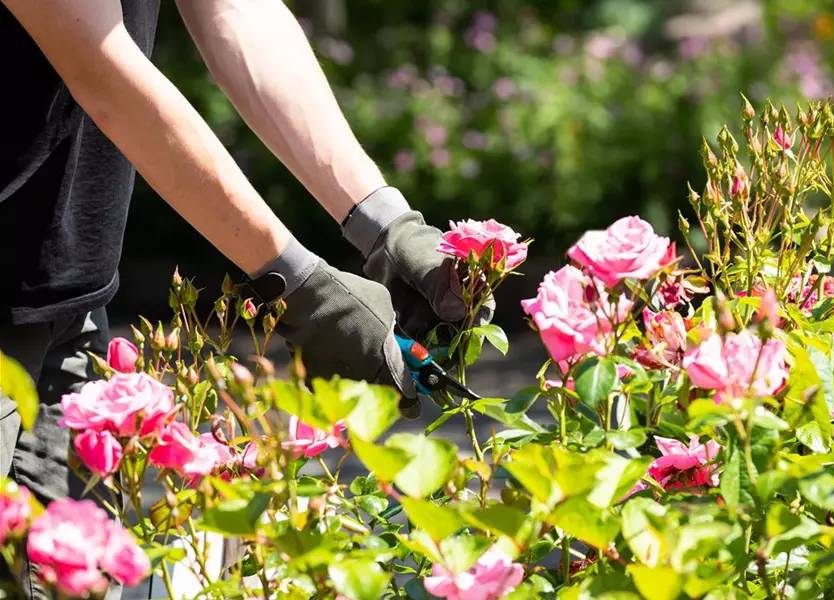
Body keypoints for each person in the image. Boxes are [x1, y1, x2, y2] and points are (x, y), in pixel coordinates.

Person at [0, 1, 490, 596]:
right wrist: (301, 283)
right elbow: (101, 66)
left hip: (65, 300)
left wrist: (387, 225)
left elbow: (234, 8)